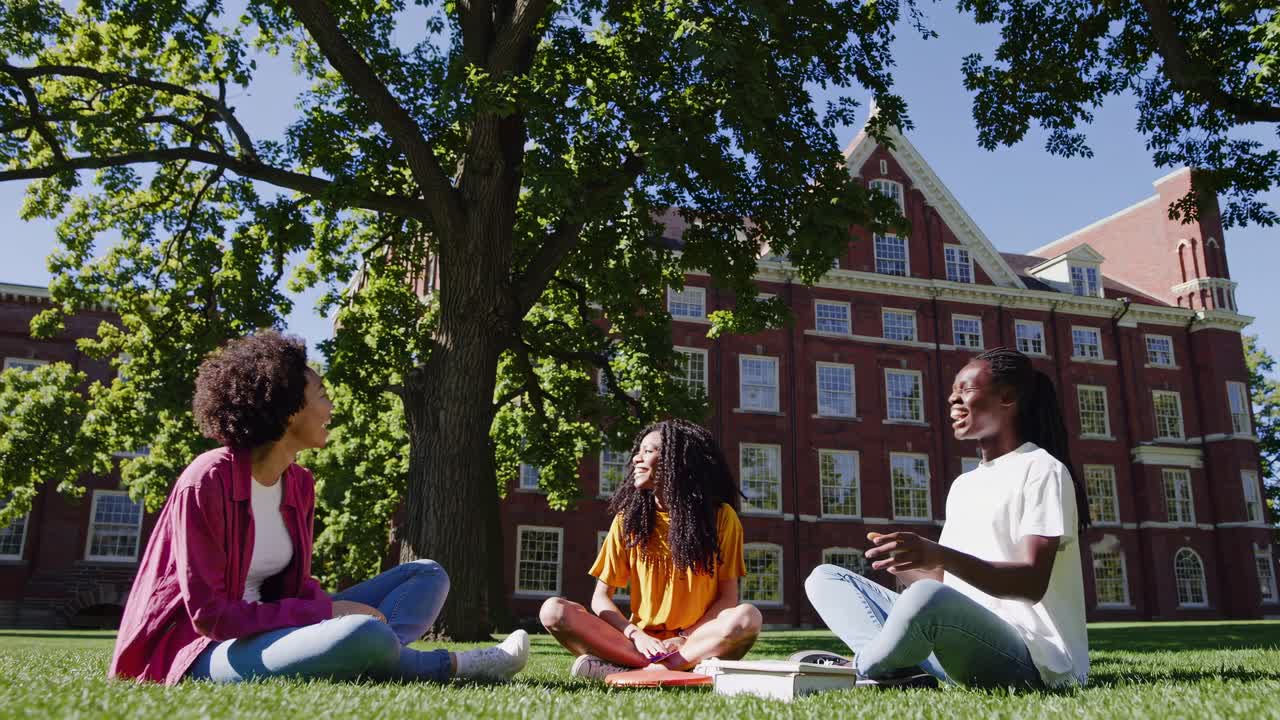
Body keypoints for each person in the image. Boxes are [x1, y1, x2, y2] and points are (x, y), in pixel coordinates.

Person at [108, 330, 529, 684]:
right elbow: (210, 616)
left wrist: (324, 609)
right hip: (200, 648)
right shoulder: (208, 479)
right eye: (322, 395)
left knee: (426, 575)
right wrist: (327, 611)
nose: (330, 408)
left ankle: (367, 654)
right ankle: (456, 664)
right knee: (362, 633)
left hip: (274, 631)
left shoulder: (299, 483)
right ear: (288, 407)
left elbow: (290, 588)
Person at [803, 347, 1090, 689]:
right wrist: (909, 561)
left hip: (1031, 659)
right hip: (960, 640)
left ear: (1007, 397)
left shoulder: (1042, 469)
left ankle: (854, 669)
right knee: (826, 578)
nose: (953, 401)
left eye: (965, 390)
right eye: (952, 392)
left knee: (926, 599)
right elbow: (948, 581)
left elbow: (1030, 583)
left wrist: (938, 555)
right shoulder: (964, 484)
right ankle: (896, 670)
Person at [539, 418, 762, 680]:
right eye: (639, 450)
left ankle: (630, 669)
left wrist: (683, 638)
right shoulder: (628, 520)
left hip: (695, 639)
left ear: (677, 461)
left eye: (648, 451)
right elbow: (600, 598)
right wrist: (636, 635)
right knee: (553, 611)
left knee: (748, 617)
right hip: (638, 643)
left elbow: (728, 599)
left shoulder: (721, 518)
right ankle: (677, 668)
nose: (636, 458)